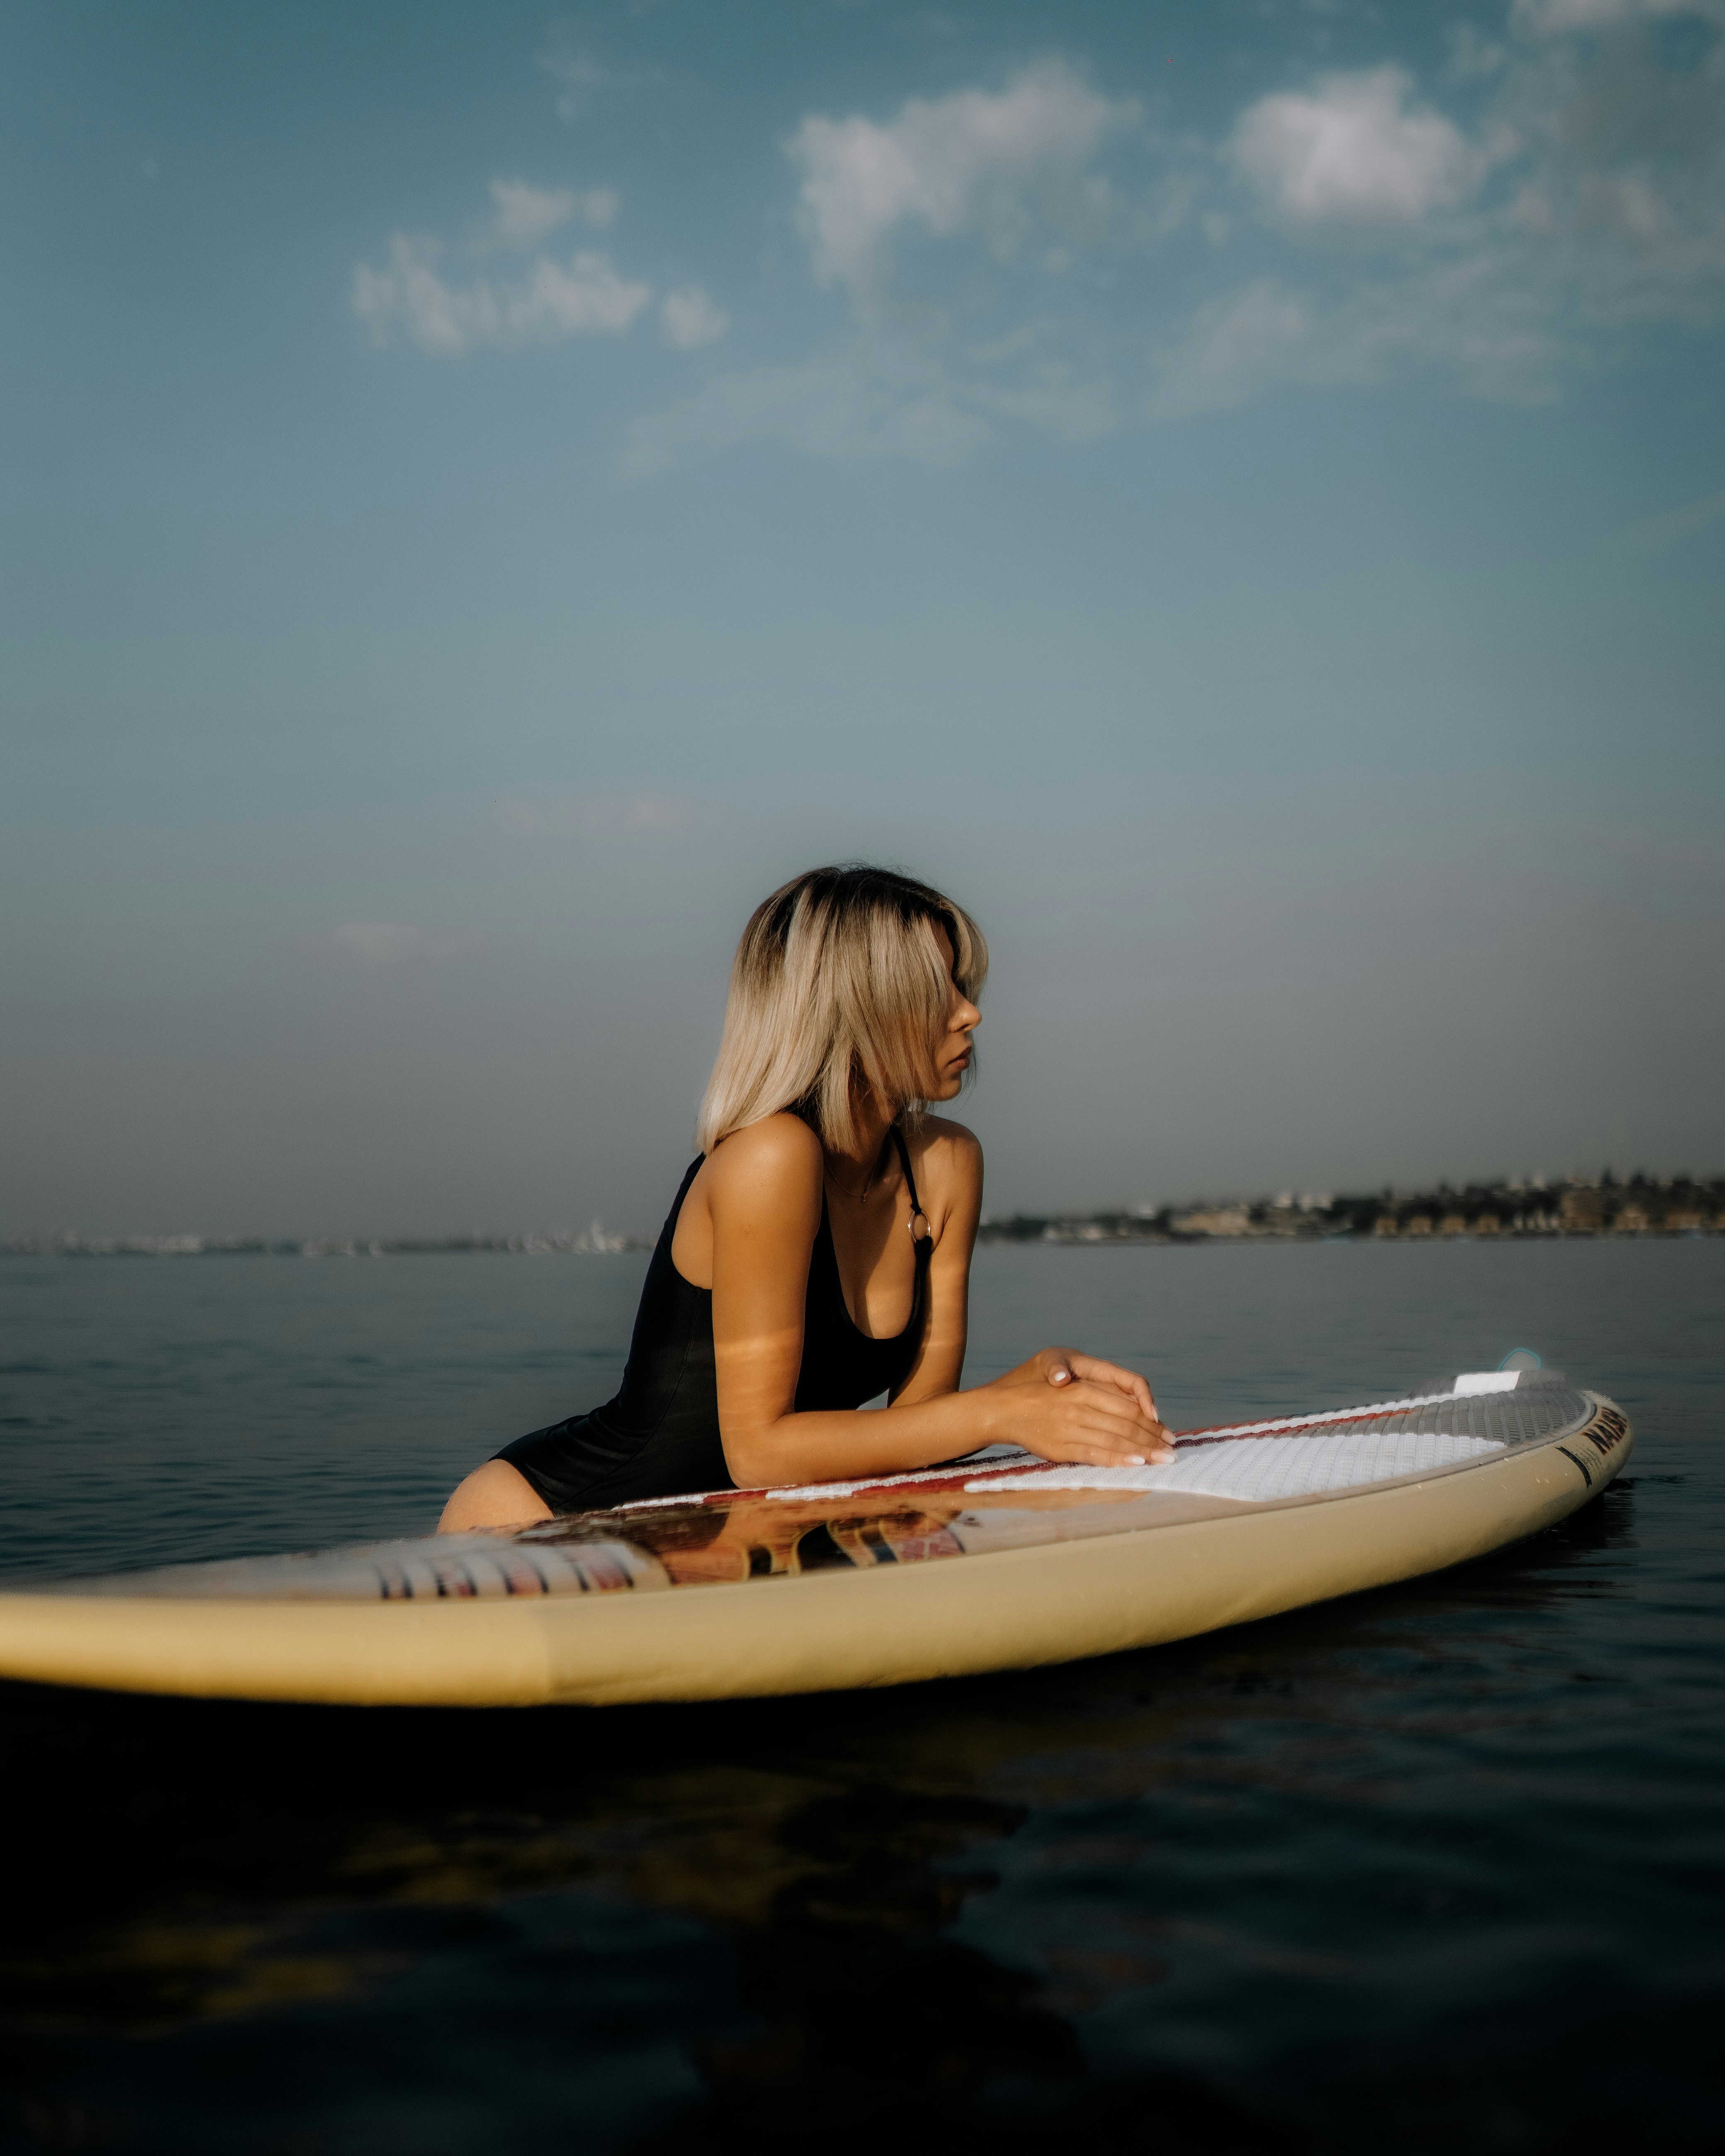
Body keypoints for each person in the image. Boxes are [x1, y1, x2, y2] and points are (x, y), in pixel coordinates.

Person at [440, 864, 1171, 1532]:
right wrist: (1005, 1413)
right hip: (551, 1523)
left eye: (964, 987)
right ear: (856, 1005)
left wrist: (1034, 1383)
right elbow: (760, 1452)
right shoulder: (771, 1157)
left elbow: (920, 1434)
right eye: (937, 991)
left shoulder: (946, 1165)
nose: (969, 1014)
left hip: (722, 1539)